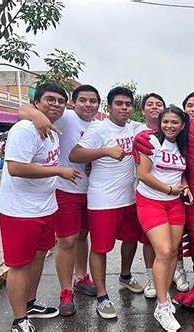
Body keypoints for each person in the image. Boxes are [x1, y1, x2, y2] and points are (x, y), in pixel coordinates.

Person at [0, 83, 80, 331]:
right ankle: (19, 319)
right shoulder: (25, 129)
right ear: (37, 103)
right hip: (19, 211)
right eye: (49, 100)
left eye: (60, 101)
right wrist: (58, 171)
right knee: (19, 264)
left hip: (45, 207)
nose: (55, 105)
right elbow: (16, 168)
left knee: (39, 256)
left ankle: (30, 303)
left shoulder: (52, 130)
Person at [18, 85, 101, 317]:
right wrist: (35, 114)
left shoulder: (99, 126)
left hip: (91, 191)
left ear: (98, 105)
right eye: (82, 100)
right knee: (67, 241)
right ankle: (66, 291)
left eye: (93, 101)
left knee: (83, 236)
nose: (88, 105)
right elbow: (23, 110)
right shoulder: (65, 117)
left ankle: (81, 278)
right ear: (73, 103)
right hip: (65, 189)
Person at [69, 86, 145, 319]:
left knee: (132, 239)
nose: (124, 108)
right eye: (119, 104)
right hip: (103, 200)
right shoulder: (99, 128)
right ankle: (102, 297)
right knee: (100, 247)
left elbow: (159, 123)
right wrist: (105, 152)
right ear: (109, 107)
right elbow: (75, 155)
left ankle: (125, 275)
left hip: (130, 197)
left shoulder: (135, 127)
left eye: (127, 104)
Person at [136, 106, 191, 331]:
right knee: (165, 252)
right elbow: (143, 174)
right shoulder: (151, 141)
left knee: (172, 253)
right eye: (165, 121)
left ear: (182, 125)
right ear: (160, 123)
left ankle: (165, 299)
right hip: (151, 201)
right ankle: (162, 305)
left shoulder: (182, 144)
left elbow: (182, 174)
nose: (169, 126)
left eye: (174, 122)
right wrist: (169, 189)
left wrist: (185, 188)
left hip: (175, 204)